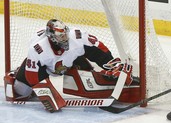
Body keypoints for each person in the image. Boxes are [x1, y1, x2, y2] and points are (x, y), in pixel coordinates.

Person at [4, 19, 133, 112]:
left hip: (70, 62)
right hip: (44, 69)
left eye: (65, 34)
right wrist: (46, 91)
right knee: (20, 93)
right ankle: (16, 75)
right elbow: (32, 75)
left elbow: (97, 48)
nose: (65, 38)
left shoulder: (77, 36)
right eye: (60, 37)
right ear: (52, 38)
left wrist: (112, 64)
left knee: (90, 79)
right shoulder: (38, 49)